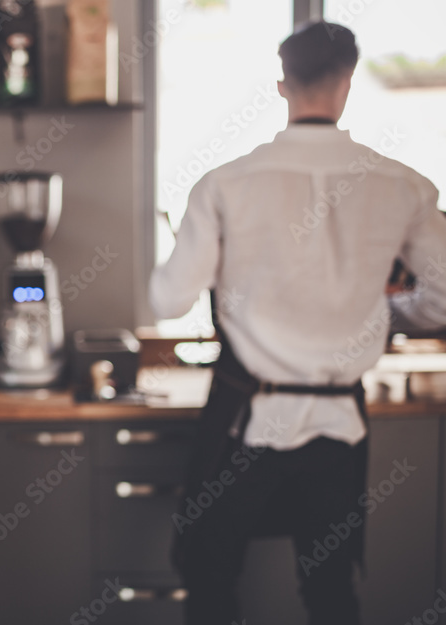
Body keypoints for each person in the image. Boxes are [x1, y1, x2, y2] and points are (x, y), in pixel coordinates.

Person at [150, 20, 446, 625]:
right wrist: (382, 312)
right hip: (340, 428)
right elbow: (441, 301)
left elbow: (166, 300)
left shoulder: (223, 186)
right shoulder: (406, 186)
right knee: (331, 593)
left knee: (209, 580)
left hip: (243, 423)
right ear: (347, 83)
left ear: (283, 84)